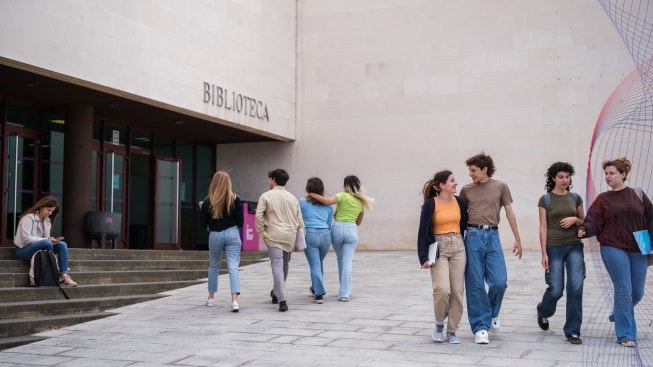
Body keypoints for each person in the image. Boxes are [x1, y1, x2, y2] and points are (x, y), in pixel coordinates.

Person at [579, 157, 652, 347]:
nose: (608, 177)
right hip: (613, 246)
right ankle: (626, 334)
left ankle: (618, 313)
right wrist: (584, 230)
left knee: (637, 292)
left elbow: (651, 219)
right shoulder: (603, 199)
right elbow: (592, 221)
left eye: (612, 173)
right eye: (606, 174)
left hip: (639, 246)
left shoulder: (638, 195)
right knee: (623, 289)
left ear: (623, 174)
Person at [460, 152, 522, 344]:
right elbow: (460, 217)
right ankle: (480, 327)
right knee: (475, 284)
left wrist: (517, 238)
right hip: (472, 236)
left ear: (485, 169)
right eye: (470, 171)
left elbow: (510, 212)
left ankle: (493, 313)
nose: (470, 174)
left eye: (473, 170)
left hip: (493, 236)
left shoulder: (500, 187)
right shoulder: (466, 190)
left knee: (499, 282)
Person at [536, 162, 585, 344]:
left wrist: (575, 219)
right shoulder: (545, 199)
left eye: (568, 177)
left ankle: (573, 331)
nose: (565, 180)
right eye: (561, 177)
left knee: (575, 288)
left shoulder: (575, 198)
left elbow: (585, 222)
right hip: (554, 247)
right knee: (556, 289)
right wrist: (544, 253)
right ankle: (543, 310)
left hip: (574, 246)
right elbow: (543, 227)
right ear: (553, 178)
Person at [417, 170, 468, 344]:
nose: (456, 183)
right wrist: (423, 256)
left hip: (458, 246)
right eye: (452, 181)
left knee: (457, 292)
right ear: (442, 185)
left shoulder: (459, 202)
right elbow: (423, 231)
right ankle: (439, 322)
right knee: (442, 289)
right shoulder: (431, 204)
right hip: (439, 247)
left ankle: (452, 330)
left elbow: (463, 226)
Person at [309, 175, 373, 301]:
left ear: (346, 186)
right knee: (347, 262)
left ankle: (342, 289)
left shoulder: (342, 196)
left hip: (337, 229)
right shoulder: (361, 202)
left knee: (340, 259)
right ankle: (344, 293)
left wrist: (313, 194)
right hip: (351, 229)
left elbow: (327, 201)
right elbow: (359, 222)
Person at [255, 169, 304, 312]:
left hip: (273, 235)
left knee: (277, 265)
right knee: (285, 265)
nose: (268, 181)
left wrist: (262, 232)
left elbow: (259, 216)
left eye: (269, 178)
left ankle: (282, 299)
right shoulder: (293, 198)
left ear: (274, 180)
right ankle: (277, 293)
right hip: (289, 235)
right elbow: (299, 219)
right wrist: (300, 237)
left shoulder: (266, 196)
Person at [199, 171, 243, 312]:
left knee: (213, 265)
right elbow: (241, 221)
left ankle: (211, 298)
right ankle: (234, 300)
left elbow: (202, 223)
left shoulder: (208, 201)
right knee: (233, 266)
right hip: (232, 233)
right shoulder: (235, 199)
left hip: (215, 234)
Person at [14, 196, 77, 286]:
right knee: (46, 242)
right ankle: (54, 271)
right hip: (23, 250)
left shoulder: (47, 221)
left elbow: (45, 239)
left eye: (52, 211)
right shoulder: (28, 218)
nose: (50, 213)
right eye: (48, 210)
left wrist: (51, 240)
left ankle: (64, 275)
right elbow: (26, 238)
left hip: (41, 248)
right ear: (41, 207)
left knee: (62, 244)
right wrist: (46, 240)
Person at [300, 177, 333, 304]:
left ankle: (319, 294)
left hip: (311, 233)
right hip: (326, 235)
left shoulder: (302, 201)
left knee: (315, 265)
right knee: (318, 263)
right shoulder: (328, 206)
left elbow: (298, 216)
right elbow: (329, 224)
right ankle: (315, 288)